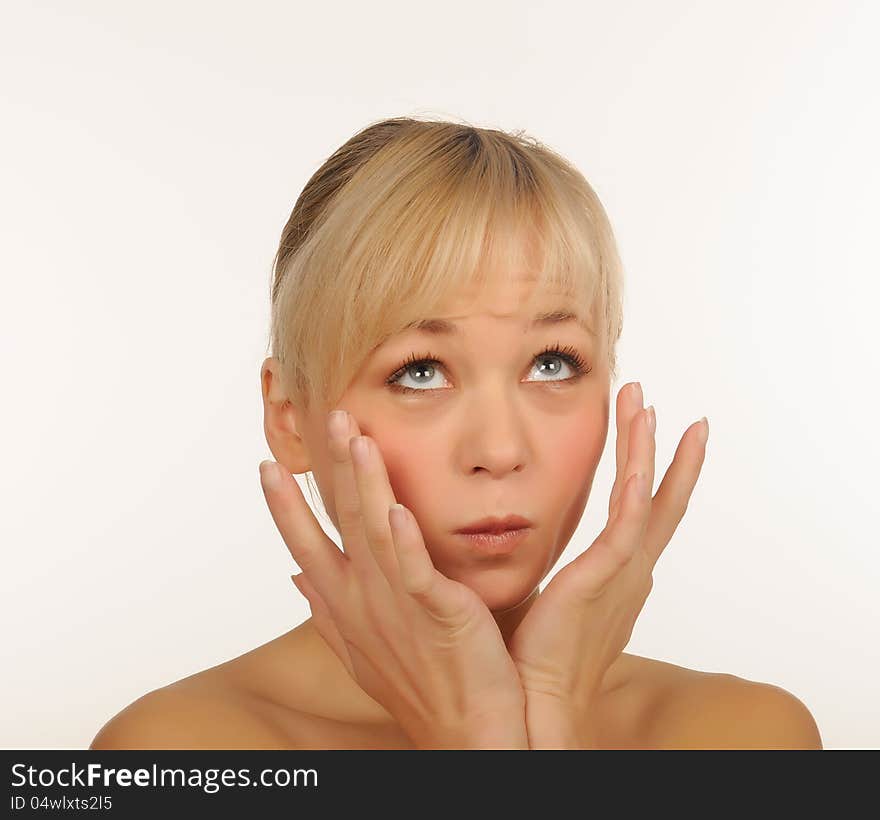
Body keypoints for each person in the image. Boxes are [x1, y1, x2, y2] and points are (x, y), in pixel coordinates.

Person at [90, 116, 822, 749]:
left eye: (553, 362)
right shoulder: (173, 753)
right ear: (291, 419)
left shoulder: (745, 737)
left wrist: (547, 722)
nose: (500, 451)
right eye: (420, 372)